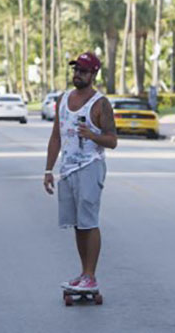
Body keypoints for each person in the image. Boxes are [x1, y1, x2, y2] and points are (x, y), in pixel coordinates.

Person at [43, 51, 118, 294]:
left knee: (89, 222)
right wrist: (48, 169)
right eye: (76, 70)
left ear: (94, 74)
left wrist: (92, 135)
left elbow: (112, 140)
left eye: (83, 71)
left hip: (90, 166)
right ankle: (84, 273)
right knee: (76, 223)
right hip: (67, 169)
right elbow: (56, 136)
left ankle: (91, 276)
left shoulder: (100, 103)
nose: (77, 75)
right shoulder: (63, 99)